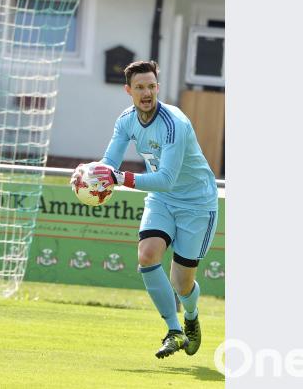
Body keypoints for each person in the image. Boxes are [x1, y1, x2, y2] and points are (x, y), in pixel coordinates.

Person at [85, 60, 218, 359]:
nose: (146, 93)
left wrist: (119, 179)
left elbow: (167, 179)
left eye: (151, 86)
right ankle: (174, 330)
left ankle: (192, 315)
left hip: (196, 203)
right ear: (128, 90)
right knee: (147, 255)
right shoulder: (126, 120)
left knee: (182, 284)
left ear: (158, 87)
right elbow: (110, 164)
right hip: (161, 200)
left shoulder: (175, 123)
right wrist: (89, 175)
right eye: (140, 87)